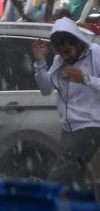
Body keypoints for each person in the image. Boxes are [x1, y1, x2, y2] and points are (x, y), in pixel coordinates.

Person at [32, 17, 100, 188]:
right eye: (60, 51)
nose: (64, 55)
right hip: (68, 130)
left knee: (60, 175)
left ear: (77, 42)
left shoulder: (95, 53)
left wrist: (85, 79)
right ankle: (75, 210)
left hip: (89, 125)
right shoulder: (59, 61)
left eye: (68, 50)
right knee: (74, 178)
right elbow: (45, 88)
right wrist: (40, 61)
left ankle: (47, 203)